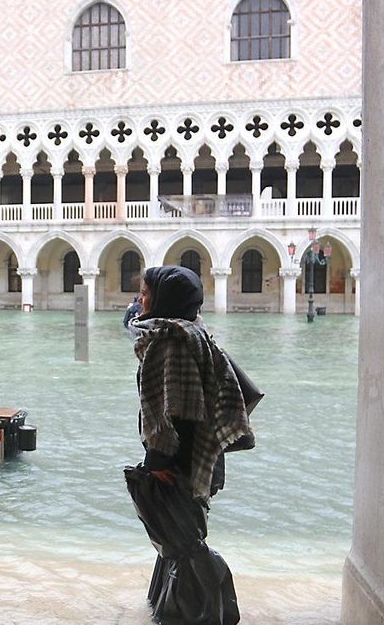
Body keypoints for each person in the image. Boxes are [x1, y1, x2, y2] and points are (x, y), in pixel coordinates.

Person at [129, 265, 253, 624]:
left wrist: (158, 462)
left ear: (165, 298)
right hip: (200, 456)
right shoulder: (192, 333)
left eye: (146, 293)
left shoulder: (171, 342)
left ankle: (201, 613)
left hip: (181, 460)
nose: (140, 299)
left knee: (184, 542)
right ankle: (175, 607)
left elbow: (178, 410)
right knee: (180, 534)